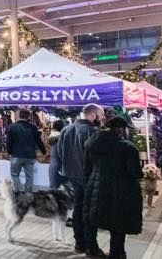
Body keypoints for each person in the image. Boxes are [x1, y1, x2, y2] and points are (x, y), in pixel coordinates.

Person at [83, 117, 142, 259]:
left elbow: (86, 168)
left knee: (92, 220)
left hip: (95, 186)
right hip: (120, 189)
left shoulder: (91, 143)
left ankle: (91, 249)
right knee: (118, 222)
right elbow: (135, 172)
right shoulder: (128, 147)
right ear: (121, 129)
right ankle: (117, 253)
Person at [56, 103, 105, 256]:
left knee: (78, 208)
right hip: (88, 177)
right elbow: (98, 156)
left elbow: (59, 153)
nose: (102, 119)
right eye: (101, 116)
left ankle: (79, 243)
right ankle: (91, 246)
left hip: (72, 175)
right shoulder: (93, 131)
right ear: (93, 115)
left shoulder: (66, 130)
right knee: (89, 211)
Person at [5, 108, 46, 193]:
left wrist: (9, 152)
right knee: (29, 176)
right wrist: (44, 152)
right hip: (30, 155)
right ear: (28, 117)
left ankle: (19, 192)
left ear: (18, 115)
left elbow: (9, 142)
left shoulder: (11, 127)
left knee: (14, 174)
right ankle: (28, 194)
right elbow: (39, 142)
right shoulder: (33, 128)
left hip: (16, 155)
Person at [48, 119, 66, 190]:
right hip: (60, 166)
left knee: (53, 187)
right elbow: (62, 153)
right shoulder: (61, 138)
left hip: (53, 165)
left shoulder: (52, 136)